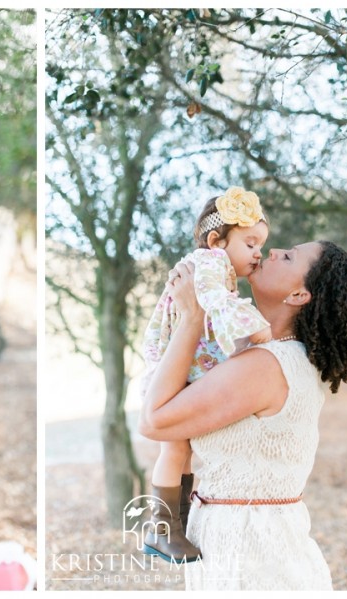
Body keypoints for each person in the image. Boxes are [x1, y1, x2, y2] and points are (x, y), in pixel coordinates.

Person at [139, 239, 347, 590]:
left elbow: (153, 421)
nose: (271, 252)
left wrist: (191, 316)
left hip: (252, 562)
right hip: (257, 549)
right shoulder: (280, 356)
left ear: (299, 295)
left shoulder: (265, 366)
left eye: (287, 257)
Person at [140, 187, 271, 563]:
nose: (258, 253)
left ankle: (174, 526)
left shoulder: (216, 267)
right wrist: (253, 328)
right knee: (174, 448)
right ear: (217, 240)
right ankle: (161, 529)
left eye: (260, 244)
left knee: (182, 450)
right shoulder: (209, 264)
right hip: (176, 370)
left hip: (183, 369)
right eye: (250, 243)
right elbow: (216, 304)